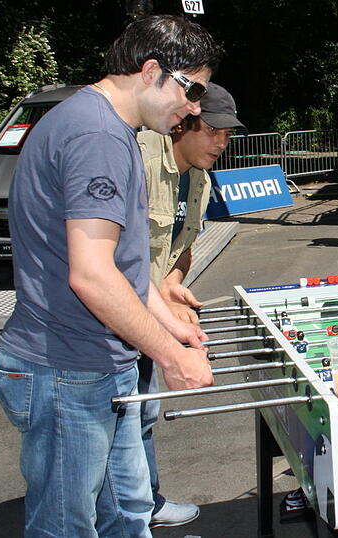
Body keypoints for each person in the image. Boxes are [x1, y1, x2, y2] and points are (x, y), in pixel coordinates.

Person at [0, 15, 221, 537]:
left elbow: (125, 264)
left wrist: (171, 325)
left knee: (125, 514)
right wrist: (171, 357)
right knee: (66, 527)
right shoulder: (96, 134)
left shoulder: (109, 129)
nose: (194, 108)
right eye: (192, 91)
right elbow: (92, 276)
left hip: (95, 365)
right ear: (152, 71)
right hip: (65, 369)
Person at [136, 82, 245, 527]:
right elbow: (115, 262)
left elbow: (181, 248)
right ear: (182, 124)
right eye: (214, 129)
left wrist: (173, 284)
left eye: (228, 133)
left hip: (144, 310)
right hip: (106, 319)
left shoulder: (198, 176)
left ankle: (143, 504)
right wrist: (172, 344)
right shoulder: (138, 160)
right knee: (114, 425)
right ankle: (130, 512)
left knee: (140, 413)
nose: (222, 141)